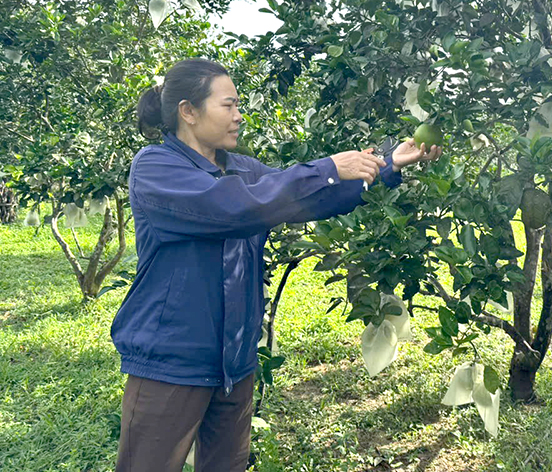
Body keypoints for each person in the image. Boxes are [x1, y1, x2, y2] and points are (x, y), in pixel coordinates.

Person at [111, 58, 443, 472]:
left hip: (235, 361)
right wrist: (325, 168)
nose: (238, 116)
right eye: (228, 106)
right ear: (188, 112)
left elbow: (306, 197)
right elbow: (232, 206)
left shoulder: (240, 167)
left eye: (238, 105)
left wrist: (389, 163)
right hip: (172, 363)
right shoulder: (156, 167)